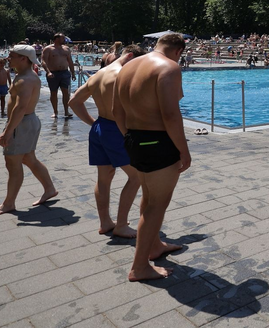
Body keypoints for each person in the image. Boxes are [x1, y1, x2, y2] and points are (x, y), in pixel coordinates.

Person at [112, 33, 191, 281]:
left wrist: (130, 137)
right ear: (178, 51)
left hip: (134, 139)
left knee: (148, 196)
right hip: (158, 142)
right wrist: (183, 150)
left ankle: (155, 245)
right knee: (157, 204)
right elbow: (170, 114)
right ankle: (139, 267)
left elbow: (117, 111)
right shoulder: (169, 68)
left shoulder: (128, 66)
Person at [69, 44, 147, 238]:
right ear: (129, 56)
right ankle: (121, 225)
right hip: (117, 130)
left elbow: (74, 102)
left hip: (100, 128)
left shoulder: (99, 74)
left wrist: (93, 123)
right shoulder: (123, 75)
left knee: (104, 178)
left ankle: (105, 222)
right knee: (136, 177)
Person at [0, 45, 58, 217]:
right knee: (29, 158)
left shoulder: (26, 79)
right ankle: (50, 188)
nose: (8, 58)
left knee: (12, 163)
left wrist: (8, 132)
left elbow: (20, 108)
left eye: (12, 56)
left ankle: (8, 204)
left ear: (24, 58)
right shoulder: (23, 75)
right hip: (26, 123)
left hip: (21, 124)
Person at [41, 33, 76, 118]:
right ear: (57, 39)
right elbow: (43, 61)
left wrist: (73, 73)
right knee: (53, 92)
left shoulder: (66, 49)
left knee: (66, 92)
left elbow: (70, 61)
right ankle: (55, 112)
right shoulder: (48, 49)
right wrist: (48, 72)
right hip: (53, 73)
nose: (64, 40)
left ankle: (66, 111)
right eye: (63, 38)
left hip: (64, 72)